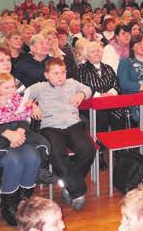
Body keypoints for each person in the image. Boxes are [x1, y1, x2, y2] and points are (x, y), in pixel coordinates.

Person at [28, 58, 95, 210]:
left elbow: (89, 89)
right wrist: (31, 105)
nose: (60, 76)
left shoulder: (72, 83)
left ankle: (70, 185)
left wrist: (81, 94)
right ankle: (77, 191)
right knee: (57, 154)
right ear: (46, 75)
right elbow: (22, 96)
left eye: (63, 72)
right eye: (56, 73)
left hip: (73, 124)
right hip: (51, 127)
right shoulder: (40, 87)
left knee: (88, 149)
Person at [0, 73, 45, 226]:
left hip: (18, 129)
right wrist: (9, 135)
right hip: (0, 130)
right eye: (7, 87)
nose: (12, 90)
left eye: (13, 87)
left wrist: (19, 131)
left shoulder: (17, 98)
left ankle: (23, 201)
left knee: (37, 150)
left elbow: (24, 115)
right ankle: (7, 204)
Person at [76, 41, 127, 131]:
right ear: (87, 55)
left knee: (119, 114)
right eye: (93, 51)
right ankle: (101, 144)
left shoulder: (108, 68)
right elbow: (83, 87)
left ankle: (119, 142)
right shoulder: (81, 69)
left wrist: (110, 94)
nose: (97, 53)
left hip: (111, 102)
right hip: (92, 105)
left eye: (98, 51)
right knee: (101, 117)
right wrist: (99, 96)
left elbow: (116, 84)